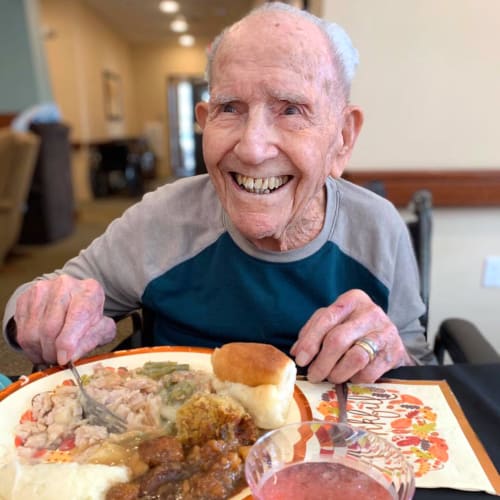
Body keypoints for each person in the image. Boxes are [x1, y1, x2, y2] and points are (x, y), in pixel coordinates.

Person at [2, 2, 436, 385]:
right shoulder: (160, 219)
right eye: (230, 109)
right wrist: (42, 314)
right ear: (206, 121)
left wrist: (391, 353)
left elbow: (418, 361)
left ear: (342, 138)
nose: (251, 147)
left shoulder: (378, 228)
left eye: (290, 110)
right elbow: (30, 300)